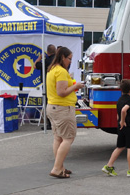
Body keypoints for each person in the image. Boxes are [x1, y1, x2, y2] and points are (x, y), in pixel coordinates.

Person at [46, 46, 83, 179]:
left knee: (58, 138)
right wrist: (75, 86)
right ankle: (56, 168)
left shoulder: (52, 69)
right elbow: (61, 92)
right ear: (62, 57)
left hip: (53, 106)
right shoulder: (61, 71)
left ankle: (60, 166)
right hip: (62, 108)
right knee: (68, 138)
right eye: (69, 59)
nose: (70, 62)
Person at [102, 79, 130, 177]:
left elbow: (118, 112)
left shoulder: (119, 99)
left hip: (120, 127)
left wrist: (119, 121)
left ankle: (109, 166)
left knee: (120, 146)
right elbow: (124, 110)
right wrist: (123, 120)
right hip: (128, 126)